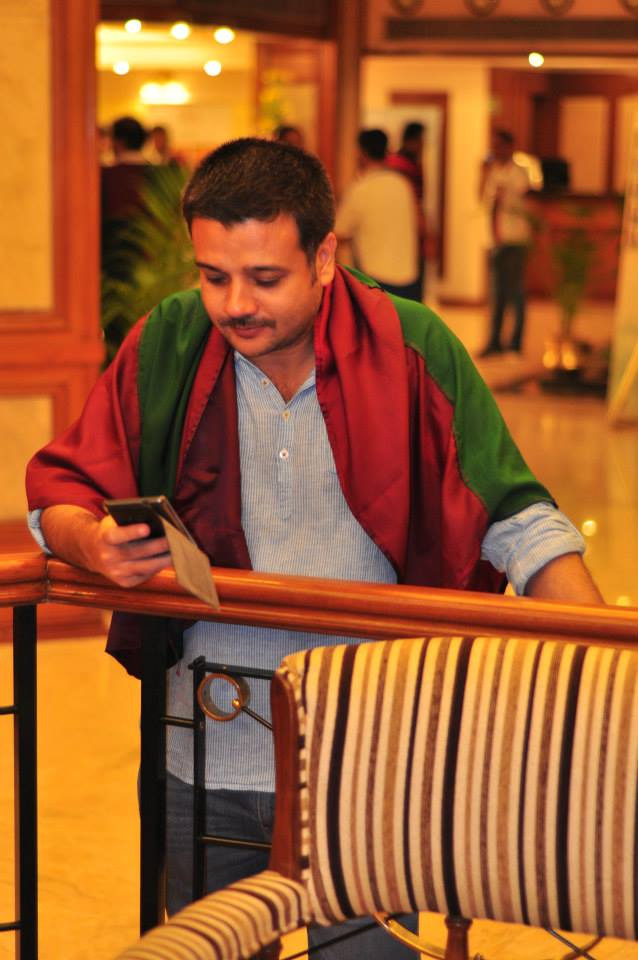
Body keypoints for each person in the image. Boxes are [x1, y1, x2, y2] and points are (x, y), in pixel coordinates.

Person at [25, 137, 602, 960]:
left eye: (265, 278)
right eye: (213, 276)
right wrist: (94, 545)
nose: (235, 304)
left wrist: (605, 665)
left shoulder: (409, 344)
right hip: (208, 743)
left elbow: (515, 516)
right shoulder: (171, 341)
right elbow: (64, 488)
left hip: (373, 754)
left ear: (325, 257)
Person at [335, 128, 421, 302]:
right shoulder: (403, 185)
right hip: (409, 278)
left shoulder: (360, 189)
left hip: (375, 280)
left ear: (362, 154)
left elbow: (339, 232)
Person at [479, 128, 531, 357]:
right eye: (494, 145)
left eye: (499, 145)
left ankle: (515, 343)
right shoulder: (493, 172)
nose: (496, 150)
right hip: (495, 238)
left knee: (515, 292)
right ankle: (494, 342)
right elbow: (484, 200)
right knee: (496, 293)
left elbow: (519, 199)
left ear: (510, 147)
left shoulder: (519, 173)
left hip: (514, 238)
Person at [387, 121, 428, 298]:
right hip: (405, 232)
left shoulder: (409, 163)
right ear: (412, 140)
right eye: (421, 140)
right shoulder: (401, 165)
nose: (423, 145)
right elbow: (412, 202)